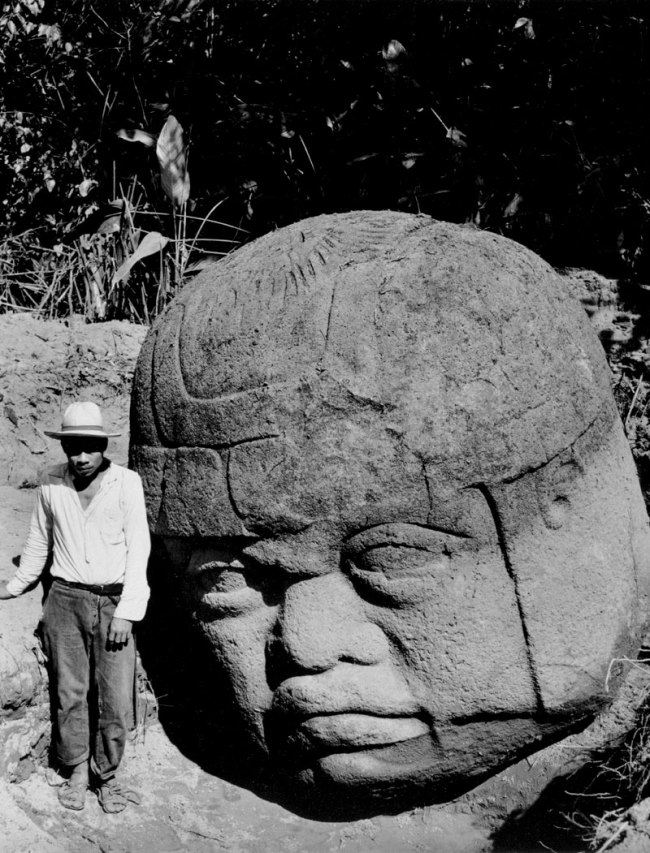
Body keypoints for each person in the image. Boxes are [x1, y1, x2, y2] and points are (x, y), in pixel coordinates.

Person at [0, 401, 151, 813]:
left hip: (114, 601)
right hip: (65, 599)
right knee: (70, 691)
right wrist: (15, 585)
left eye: (88, 447)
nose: (80, 457)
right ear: (63, 448)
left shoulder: (127, 483)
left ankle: (108, 774)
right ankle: (77, 771)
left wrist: (127, 611)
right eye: (72, 448)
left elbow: (139, 548)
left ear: (104, 446)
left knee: (117, 698)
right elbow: (38, 541)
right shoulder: (50, 481)